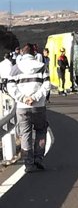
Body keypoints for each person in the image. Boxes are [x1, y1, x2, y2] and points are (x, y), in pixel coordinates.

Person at [7, 43, 51, 173]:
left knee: (25, 134)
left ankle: (28, 164)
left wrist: (23, 98)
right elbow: (47, 85)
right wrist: (35, 97)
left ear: (22, 53)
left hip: (22, 107)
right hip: (39, 106)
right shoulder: (42, 67)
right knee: (41, 130)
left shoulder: (15, 68)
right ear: (34, 53)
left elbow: (11, 87)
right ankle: (39, 157)